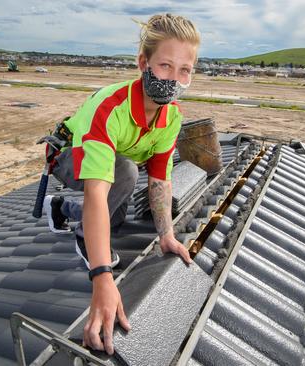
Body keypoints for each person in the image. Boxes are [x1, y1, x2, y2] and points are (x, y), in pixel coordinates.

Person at [43, 13, 200, 355]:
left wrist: (167, 236)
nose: (174, 79)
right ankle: (82, 239)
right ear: (143, 63)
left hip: (112, 163)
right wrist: (102, 277)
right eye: (165, 66)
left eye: (184, 70)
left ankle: (61, 208)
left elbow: (160, 179)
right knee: (126, 172)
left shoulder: (170, 117)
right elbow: (99, 190)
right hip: (68, 156)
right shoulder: (110, 108)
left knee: (114, 219)